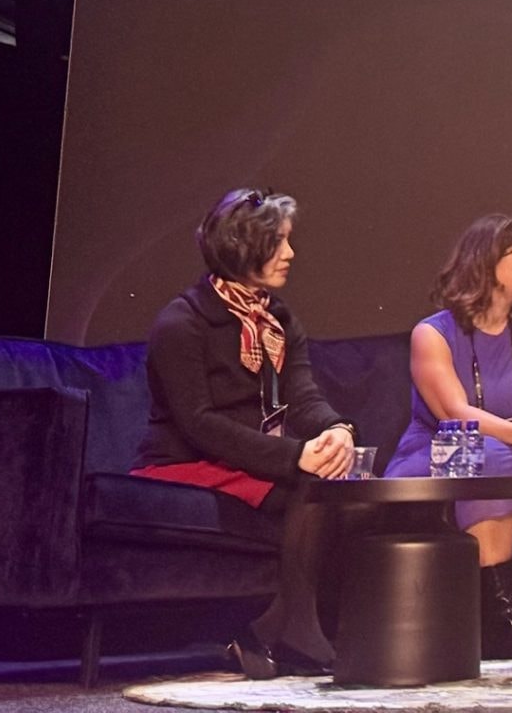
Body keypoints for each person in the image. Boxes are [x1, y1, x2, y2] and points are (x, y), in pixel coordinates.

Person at [132, 188, 356, 678]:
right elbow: (198, 422)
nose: (290, 253)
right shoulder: (183, 321)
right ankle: (294, 633)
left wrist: (336, 429)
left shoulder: (278, 319)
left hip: (247, 459)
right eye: (278, 242)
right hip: (185, 462)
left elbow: (302, 395)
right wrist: (294, 457)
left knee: (342, 488)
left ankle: (281, 627)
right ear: (242, 246)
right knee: (309, 485)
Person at [383, 213, 512, 657]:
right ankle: (499, 624)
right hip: (442, 448)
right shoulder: (432, 334)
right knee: (490, 455)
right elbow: (455, 413)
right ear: (491, 262)